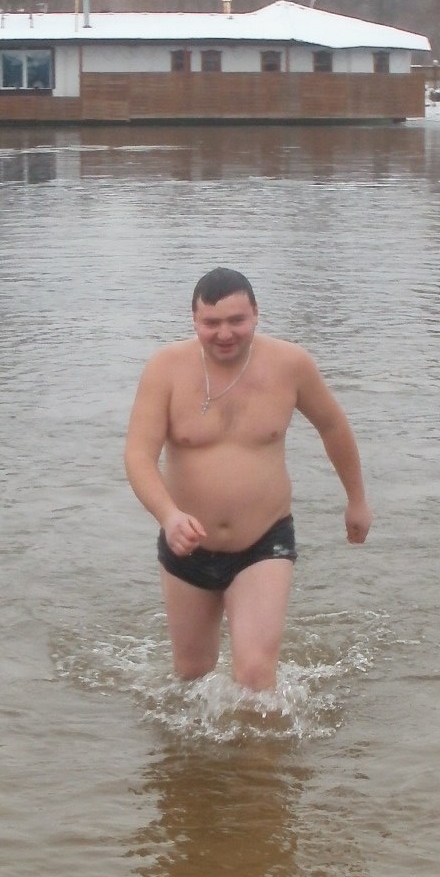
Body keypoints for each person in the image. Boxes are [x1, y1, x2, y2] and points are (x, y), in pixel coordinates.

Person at [124, 266, 371, 692]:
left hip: (264, 540)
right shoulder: (165, 368)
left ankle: (264, 736)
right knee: (191, 676)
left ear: (256, 313)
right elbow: (138, 455)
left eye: (236, 320)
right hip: (187, 543)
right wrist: (168, 516)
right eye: (211, 323)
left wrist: (357, 500)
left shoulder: (291, 364)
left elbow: (333, 426)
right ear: (194, 320)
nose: (224, 334)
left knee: (256, 674)